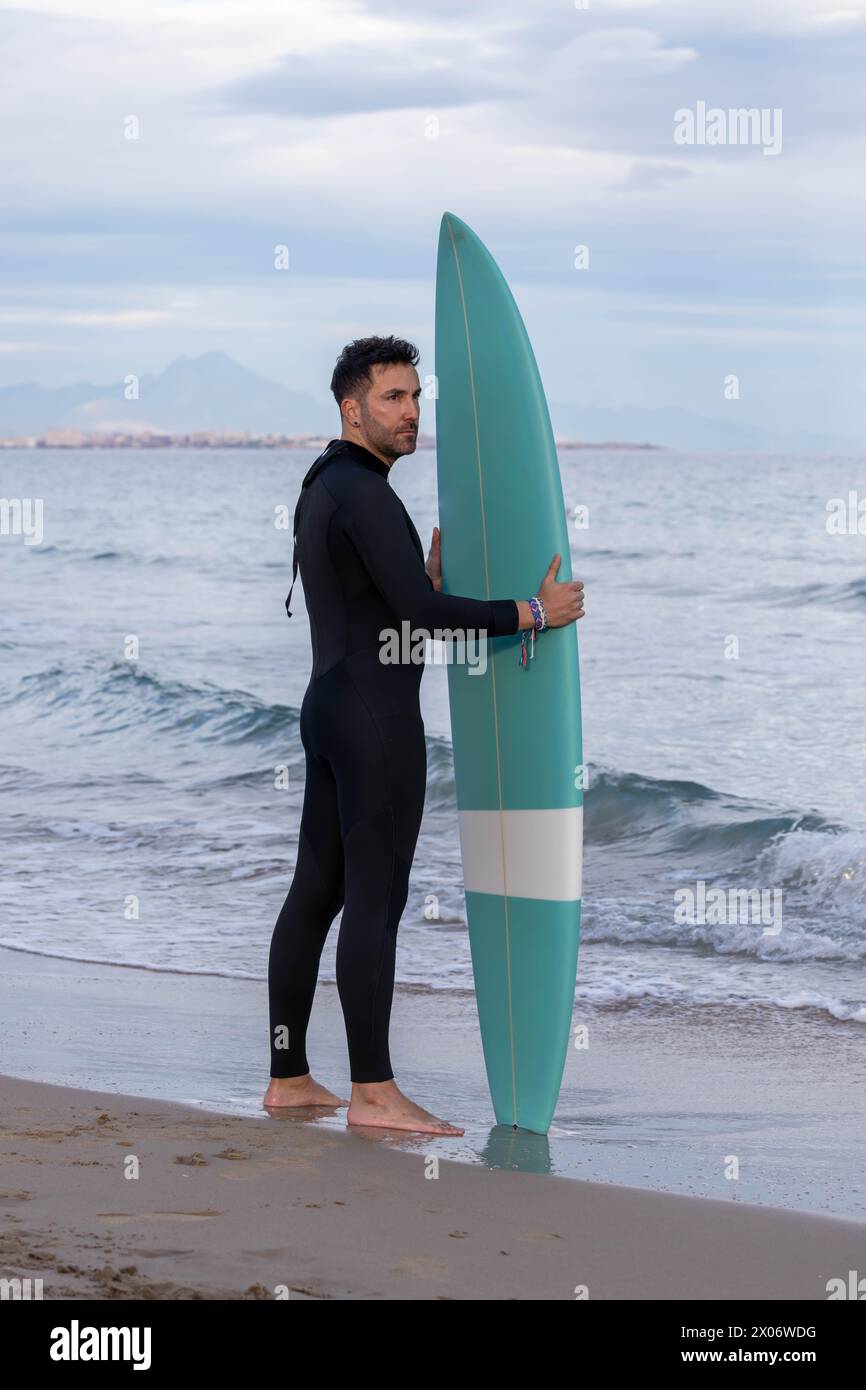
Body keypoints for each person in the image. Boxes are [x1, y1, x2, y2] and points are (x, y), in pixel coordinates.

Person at [265, 335, 584, 1134]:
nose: (411, 414)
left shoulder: (326, 485)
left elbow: (374, 608)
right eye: (393, 400)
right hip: (374, 721)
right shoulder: (365, 493)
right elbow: (420, 619)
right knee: (375, 898)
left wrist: (423, 580)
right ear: (352, 407)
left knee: (318, 893)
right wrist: (533, 613)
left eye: (416, 398)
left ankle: (289, 1076)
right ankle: (373, 1093)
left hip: (332, 707)